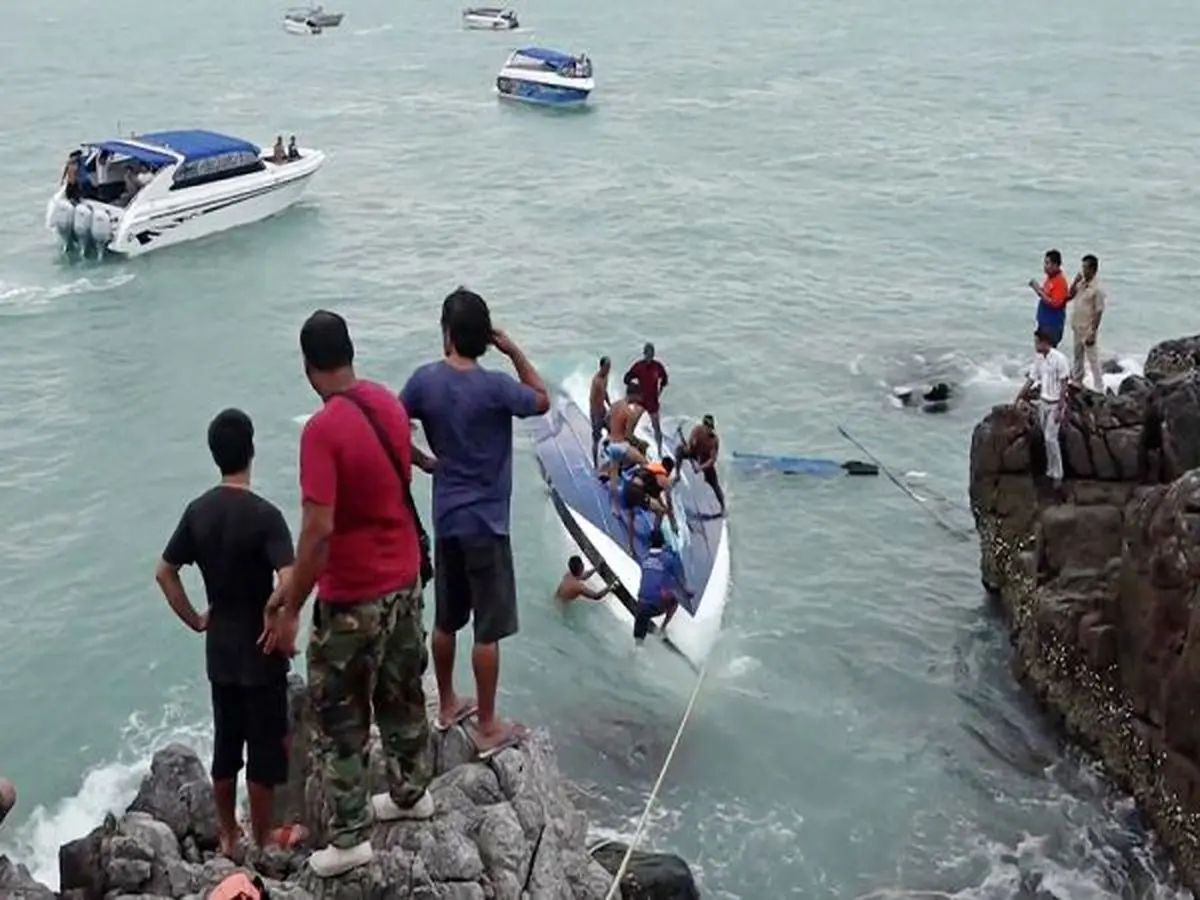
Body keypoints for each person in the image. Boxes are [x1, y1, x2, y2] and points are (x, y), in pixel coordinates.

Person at [260, 310, 434, 879]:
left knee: (340, 714)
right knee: (402, 691)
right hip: (405, 582)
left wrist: (291, 605)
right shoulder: (388, 403)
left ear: (309, 368)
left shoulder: (322, 430)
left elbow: (318, 531)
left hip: (354, 595)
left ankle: (352, 836)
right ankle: (412, 793)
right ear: (351, 352)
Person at [401, 288, 550, 760]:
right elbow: (542, 400)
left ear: (446, 333)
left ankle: (446, 705)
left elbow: (388, 425)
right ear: (486, 339)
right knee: (486, 629)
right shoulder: (496, 388)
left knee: (446, 619)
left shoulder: (424, 382)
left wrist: (424, 462)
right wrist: (515, 352)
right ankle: (487, 725)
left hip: (447, 519)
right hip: (487, 523)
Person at [154, 409, 299, 858]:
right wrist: (277, 615)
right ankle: (262, 836)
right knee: (263, 748)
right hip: (262, 647)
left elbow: (164, 573)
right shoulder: (266, 516)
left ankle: (228, 834)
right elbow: (291, 577)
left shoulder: (198, 512)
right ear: (251, 451)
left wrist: (197, 618)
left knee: (226, 743)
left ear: (215, 455)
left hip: (220, 647)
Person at [1016, 328, 1071, 498]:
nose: (1035, 345)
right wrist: (1019, 396)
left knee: (1050, 438)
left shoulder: (1060, 359)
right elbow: (1032, 379)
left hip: (1055, 403)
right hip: (1043, 402)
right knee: (1045, 437)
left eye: (1036, 342)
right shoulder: (1039, 359)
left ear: (1044, 342)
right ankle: (1050, 471)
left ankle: (1058, 475)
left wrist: (1062, 408)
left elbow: (1064, 383)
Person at [632, 529, 688, 643]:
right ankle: (662, 628)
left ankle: (638, 645)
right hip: (654, 606)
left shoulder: (644, 557)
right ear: (663, 542)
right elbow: (679, 580)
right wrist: (687, 591)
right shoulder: (668, 558)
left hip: (640, 604)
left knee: (638, 640)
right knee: (674, 600)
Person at [1068, 254, 1107, 391]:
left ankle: (1099, 387)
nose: (1083, 270)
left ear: (1093, 270)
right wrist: (1074, 282)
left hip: (1088, 328)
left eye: (1085, 267)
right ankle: (1077, 381)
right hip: (1077, 326)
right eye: (1082, 267)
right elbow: (1069, 296)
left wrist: (1093, 332)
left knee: (1093, 359)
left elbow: (1099, 311)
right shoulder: (1081, 283)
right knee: (1077, 355)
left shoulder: (1097, 289)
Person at [624, 342, 669, 454]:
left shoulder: (658, 367)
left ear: (653, 354)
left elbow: (664, 380)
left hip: (653, 402)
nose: (649, 356)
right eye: (647, 354)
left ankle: (659, 452)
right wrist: (634, 388)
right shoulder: (639, 366)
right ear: (644, 354)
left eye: (651, 354)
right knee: (630, 427)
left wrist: (659, 393)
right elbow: (626, 378)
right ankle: (636, 446)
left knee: (656, 428)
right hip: (641, 401)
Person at [675, 414, 725, 515]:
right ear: (704, 426)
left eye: (711, 428)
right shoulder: (697, 430)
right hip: (695, 452)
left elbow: (712, 460)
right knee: (679, 451)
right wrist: (688, 448)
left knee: (714, 484)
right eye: (708, 428)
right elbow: (690, 446)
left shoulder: (714, 440)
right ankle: (677, 475)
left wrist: (700, 467)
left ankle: (723, 507)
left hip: (705, 460)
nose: (710, 430)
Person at [619, 461, 673, 553]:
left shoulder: (650, 468)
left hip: (628, 488)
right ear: (669, 471)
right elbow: (669, 502)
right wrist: (672, 520)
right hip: (637, 491)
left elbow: (657, 495)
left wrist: (661, 505)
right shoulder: (664, 478)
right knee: (660, 512)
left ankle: (630, 548)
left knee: (631, 518)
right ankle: (655, 538)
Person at [600, 380, 648, 480]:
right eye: (638, 396)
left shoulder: (615, 405)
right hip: (620, 446)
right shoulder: (629, 412)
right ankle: (637, 484)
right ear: (634, 395)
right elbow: (628, 435)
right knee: (644, 462)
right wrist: (640, 443)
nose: (639, 399)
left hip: (608, 442)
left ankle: (610, 469)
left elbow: (605, 421)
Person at [1028, 249, 1070, 347]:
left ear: (1055, 265)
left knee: (1048, 354)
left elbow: (1056, 303)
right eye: (1045, 263)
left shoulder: (1060, 281)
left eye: (1047, 263)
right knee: (1041, 353)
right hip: (1044, 323)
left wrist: (1038, 290)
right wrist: (1039, 290)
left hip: (1052, 326)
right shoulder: (1050, 278)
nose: (1045, 266)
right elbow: (1046, 294)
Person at [589, 356, 612, 467]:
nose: (608, 370)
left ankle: (606, 450)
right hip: (596, 413)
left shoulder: (605, 377)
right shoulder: (596, 380)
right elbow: (592, 399)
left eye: (609, 367)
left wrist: (609, 405)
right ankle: (595, 464)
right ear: (601, 367)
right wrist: (597, 415)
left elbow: (605, 392)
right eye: (607, 367)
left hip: (603, 410)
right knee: (596, 438)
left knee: (612, 431)